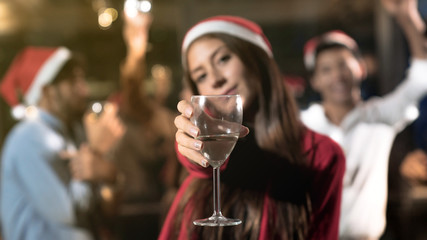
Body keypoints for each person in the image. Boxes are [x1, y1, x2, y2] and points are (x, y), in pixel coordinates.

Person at [159, 15, 346, 240]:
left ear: (257, 59)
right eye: (201, 75)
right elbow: (205, 166)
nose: (215, 80)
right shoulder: (214, 155)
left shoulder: (323, 155)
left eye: (223, 59)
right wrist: (194, 151)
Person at [300, 0, 427, 239]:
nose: (337, 74)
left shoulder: (381, 114)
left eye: (343, 64)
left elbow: (422, 76)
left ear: (361, 68)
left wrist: (407, 17)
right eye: (325, 69)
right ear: (315, 81)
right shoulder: (303, 125)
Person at [0, 46, 125, 240]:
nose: (84, 90)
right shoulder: (28, 137)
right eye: (74, 81)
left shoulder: (67, 132)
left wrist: (109, 174)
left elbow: (104, 210)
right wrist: (95, 150)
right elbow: (70, 214)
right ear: (47, 90)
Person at [108, 12, 182, 239]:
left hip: (159, 209)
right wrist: (136, 49)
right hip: (131, 209)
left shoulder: (168, 119)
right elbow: (132, 84)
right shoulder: (134, 114)